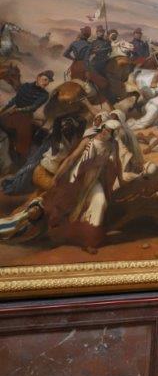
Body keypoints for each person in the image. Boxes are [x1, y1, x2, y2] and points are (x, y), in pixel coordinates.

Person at [44, 119, 125, 253]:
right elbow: (71, 159)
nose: (105, 132)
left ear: (113, 134)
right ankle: (55, 236)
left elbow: (117, 163)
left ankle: (89, 239)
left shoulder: (113, 145)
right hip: (77, 179)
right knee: (65, 206)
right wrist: (56, 177)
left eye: (109, 131)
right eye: (104, 128)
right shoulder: (89, 141)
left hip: (93, 180)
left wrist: (120, 180)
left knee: (100, 202)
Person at [0, 70, 53, 161]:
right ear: (38, 77)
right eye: (45, 79)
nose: (46, 83)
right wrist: (3, 109)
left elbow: (33, 107)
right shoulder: (25, 86)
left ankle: (19, 159)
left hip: (26, 116)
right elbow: (15, 100)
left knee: (23, 139)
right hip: (13, 113)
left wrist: (18, 110)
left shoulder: (44, 95)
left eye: (48, 81)